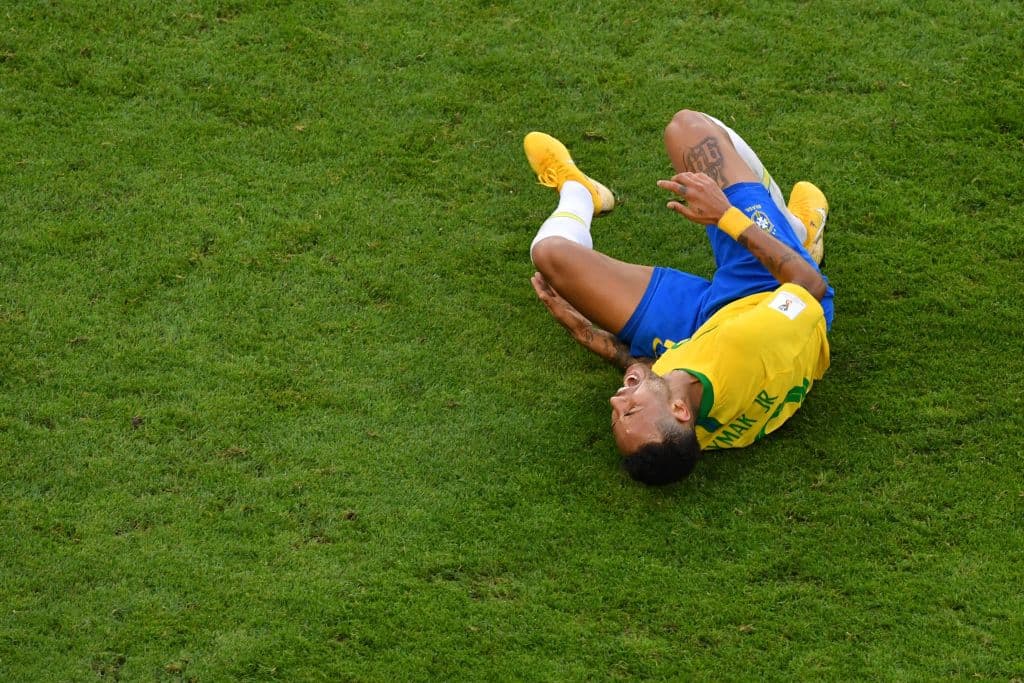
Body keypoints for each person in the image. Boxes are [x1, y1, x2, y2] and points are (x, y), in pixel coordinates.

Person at [523, 109, 834, 485]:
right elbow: (811, 290)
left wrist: (588, 334)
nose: (615, 401)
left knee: (550, 258)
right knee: (687, 129)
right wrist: (726, 215)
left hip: (701, 328)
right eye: (630, 411)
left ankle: (580, 190)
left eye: (615, 415)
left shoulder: (684, 426)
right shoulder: (747, 347)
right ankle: (797, 232)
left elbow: (645, 368)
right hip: (772, 291)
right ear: (680, 411)